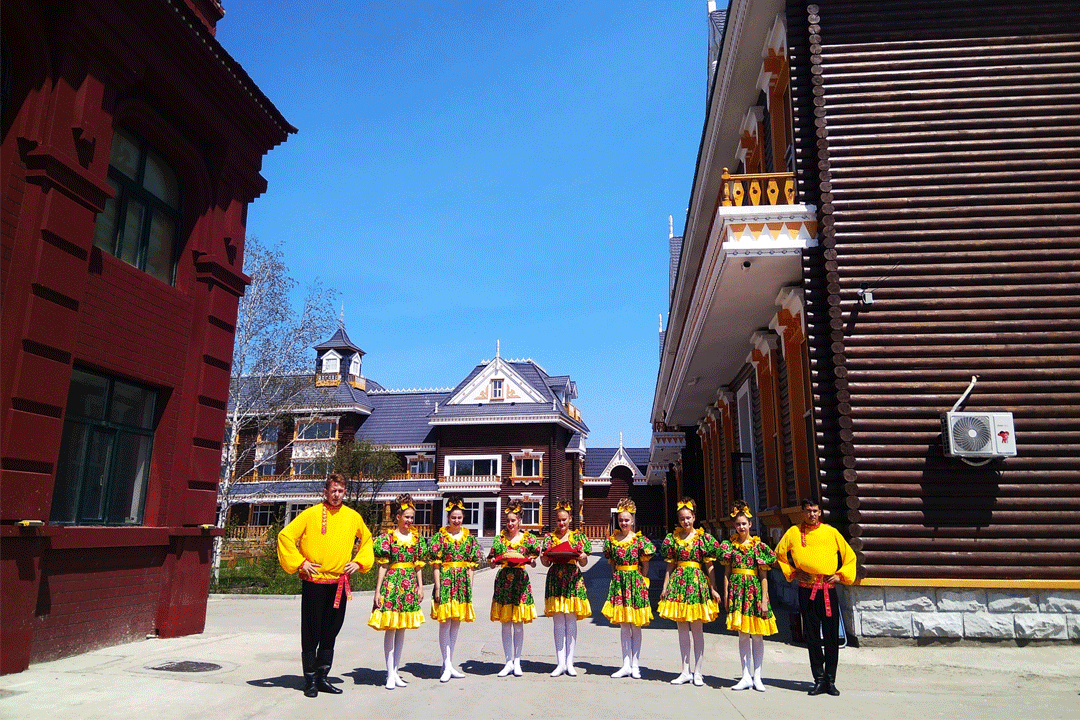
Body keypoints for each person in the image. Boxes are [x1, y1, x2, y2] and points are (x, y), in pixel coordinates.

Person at [277, 473, 374, 698]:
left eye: (340, 491)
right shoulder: (310, 514)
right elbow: (285, 536)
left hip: (338, 583)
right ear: (325, 492)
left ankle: (323, 677)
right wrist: (301, 562)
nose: (336, 495)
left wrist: (359, 562)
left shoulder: (352, 516)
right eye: (333, 490)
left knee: (331, 630)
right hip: (315, 582)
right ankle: (310, 679)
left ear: (345, 492)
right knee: (311, 630)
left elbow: (367, 539)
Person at [774, 497, 857, 697]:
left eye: (815, 511)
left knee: (831, 637)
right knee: (811, 636)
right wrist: (793, 572)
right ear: (802, 512)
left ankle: (831, 680)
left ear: (820, 512)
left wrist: (840, 575)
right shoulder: (794, 532)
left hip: (828, 590)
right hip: (807, 590)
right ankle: (818, 679)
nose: (811, 514)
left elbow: (850, 557)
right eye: (808, 511)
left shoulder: (831, 532)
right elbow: (778, 555)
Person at [657, 497, 722, 687]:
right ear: (678, 520)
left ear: (694, 517)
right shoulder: (673, 539)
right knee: (682, 630)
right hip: (678, 585)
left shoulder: (703, 539)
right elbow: (670, 566)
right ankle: (685, 671)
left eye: (688, 517)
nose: (685, 521)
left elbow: (709, 566)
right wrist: (665, 587)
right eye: (682, 518)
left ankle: (698, 672)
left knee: (697, 629)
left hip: (697, 585)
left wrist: (713, 588)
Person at [367, 494, 427, 690]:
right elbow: (383, 566)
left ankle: (396, 670)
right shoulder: (388, 538)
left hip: (409, 585)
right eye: (406, 517)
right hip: (392, 584)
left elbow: (418, 566)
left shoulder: (416, 539)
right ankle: (389, 673)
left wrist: (420, 587)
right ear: (398, 517)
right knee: (391, 627)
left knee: (402, 628)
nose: (409, 520)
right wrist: (377, 591)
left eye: (411, 517)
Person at [718, 500, 777, 692]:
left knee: (757, 635)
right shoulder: (729, 547)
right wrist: (726, 593)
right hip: (737, 594)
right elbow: (726, 573)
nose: (741, 527)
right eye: (738, 524)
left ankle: (757, 676)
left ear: (750, 524)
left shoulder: (758, 547)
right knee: (742, 635)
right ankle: (745, 676)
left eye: (744, 523)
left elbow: (764, 576)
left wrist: (764, 600)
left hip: (754, 593)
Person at [429, 495, 483, 682]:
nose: (457, 520)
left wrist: (470, 587)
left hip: (461, 584)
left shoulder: (469, 538)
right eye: (453, 517)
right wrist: (437, 587)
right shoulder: (440, 537)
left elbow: (471, 566)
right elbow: (436, 565)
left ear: (463, 517)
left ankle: (449, 663)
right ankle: (446, 665)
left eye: (459, 517)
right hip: (445, 581)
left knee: (456, 624)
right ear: (448, 517)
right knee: (445, 624)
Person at [601, 498, 655, 679]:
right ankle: (625, 664)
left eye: (626, 520)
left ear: (632, 520)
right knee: (624, 625)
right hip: (619, 583)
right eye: (621, 520)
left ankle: (636, 665)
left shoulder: (639, 541)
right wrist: (615, 579)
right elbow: (612, 562)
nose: (623, 523)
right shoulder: (612, 541)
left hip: (635, 582)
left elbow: (645, 564)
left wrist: (642, 580)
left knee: (636, 625)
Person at [539, 499, 592, 678]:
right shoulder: (549, 538)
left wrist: (583, 557)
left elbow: (583, 563)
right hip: (556, 579)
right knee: (558, 621)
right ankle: (560, 662)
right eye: (558, 520)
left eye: (564, 519)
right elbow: (546, 563)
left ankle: (570, 662)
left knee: (571, 620)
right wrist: (543, 557)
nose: (561, 523)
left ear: (570, 519)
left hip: (572, 579)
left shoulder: (578, 537)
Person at [487, 501, 540, 677]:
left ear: (519, 521)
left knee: (518, 624)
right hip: (504, 582)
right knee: (505, 624)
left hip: (519, 582)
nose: (510, 524)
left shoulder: (528, 539)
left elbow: (533, 561)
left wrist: (531, 561)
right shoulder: (499, 539)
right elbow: (492, 561)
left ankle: (517, 661)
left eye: (513, 520)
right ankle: (507, 661)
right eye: (508, 521)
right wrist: (493, 561)